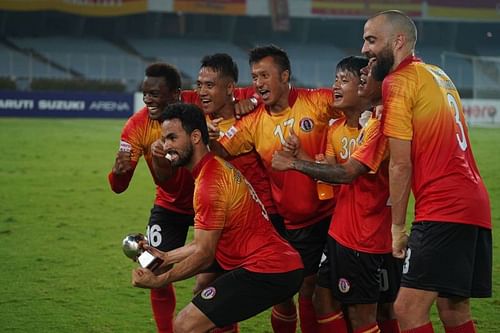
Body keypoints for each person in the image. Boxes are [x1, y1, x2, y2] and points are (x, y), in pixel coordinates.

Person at [361, 10, 492, 333]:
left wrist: (396, 228)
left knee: (406, 309)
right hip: (474, 203)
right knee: (453, 309)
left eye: (371, 40)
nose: (364, 49)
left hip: (443, 207)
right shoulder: (437, 74)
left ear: (399, 41)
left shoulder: (398, 82)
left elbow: (401, 163)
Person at [131, 102, 304, 333]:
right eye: (164, 139)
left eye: (172, 138)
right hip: (278, 266)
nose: (165, 146)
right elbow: (201, 243)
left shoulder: (209, 183)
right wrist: (165, 256)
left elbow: (204, 254)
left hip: (267, 271)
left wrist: (161, 280)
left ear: (195, 137)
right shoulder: (214, 168)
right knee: (205, 322)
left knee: (185, 326)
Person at [209, 45, 340, 333]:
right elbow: (220, 150)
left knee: (337, 294)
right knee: (302, 292)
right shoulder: (253, 121)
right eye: (255, 77)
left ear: (284, 76)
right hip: (295, 223)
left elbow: (353, 101)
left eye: (264, 75)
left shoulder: (316, 101)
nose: (258, 83)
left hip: (335, 215)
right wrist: (208, 138)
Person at [272, 58, 401, 333]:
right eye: (335, 80)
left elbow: (347, 173)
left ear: (364, 87)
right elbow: (329, 175)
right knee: (323, 298)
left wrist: (293, 164)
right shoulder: (335, 129)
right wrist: (301, 155)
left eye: (344, 80)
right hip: (342, 232)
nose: (335, 86)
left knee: (366, 313)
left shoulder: (377, 128)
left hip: (365, 235)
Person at [109, 62, 195, 333]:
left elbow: (230, 98)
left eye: (155, 94)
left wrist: (248, 100)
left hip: (209, 201)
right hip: (169, 206)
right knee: (152, 268)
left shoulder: (196, 105)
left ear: (176, 94)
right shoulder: (135, 126)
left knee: (216, 278)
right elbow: (118, 187)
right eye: (145, 93)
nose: (147, 99)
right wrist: (117, 173)